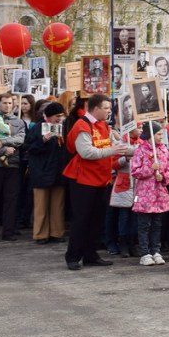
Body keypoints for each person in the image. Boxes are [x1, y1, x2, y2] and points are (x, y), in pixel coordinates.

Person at [62, 94, 127, 270]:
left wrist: (142, 149)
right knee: (81, 219)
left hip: (100, 179)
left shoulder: (104, 125)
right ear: (95, 108)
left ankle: (90, 255)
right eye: (106, 108)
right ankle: (73, 256)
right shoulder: (82, 125)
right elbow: (86, 152)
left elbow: (118, 146)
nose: (109, 111)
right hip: (83, 179)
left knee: (96, 219)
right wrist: (112, 150)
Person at [0, 94, 26, 243]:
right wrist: (3, 150)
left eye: (10, 103)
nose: (7, 105)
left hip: (12, 165)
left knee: (11, 199)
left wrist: (1, 142)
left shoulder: (19, 122)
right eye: (4, 102)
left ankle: (8, 232)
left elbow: (20, 139)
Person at [132, 122, 169, 266]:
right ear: (150, 136)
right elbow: (135, 171)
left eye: (162, 134)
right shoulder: (141, 151)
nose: (161, 137)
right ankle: (145, 252)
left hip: (159, 194)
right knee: (144, 224)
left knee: (157, 224)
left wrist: (163, 177)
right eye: (158, 134)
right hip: (145, 194)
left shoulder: (164, 151)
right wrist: (150, 168)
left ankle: (156, 250)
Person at [26, 101, 69, 244]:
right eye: (57, 116)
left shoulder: (63, 128)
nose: (59, 119)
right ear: (49, 117)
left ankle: (57, 232)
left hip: (58, 172)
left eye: (61, 116)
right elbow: (30, 149)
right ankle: (40, 234)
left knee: (58, 205)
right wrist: (43, 141)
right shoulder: (38, 128)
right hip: (41, 172)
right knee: (41, 206)